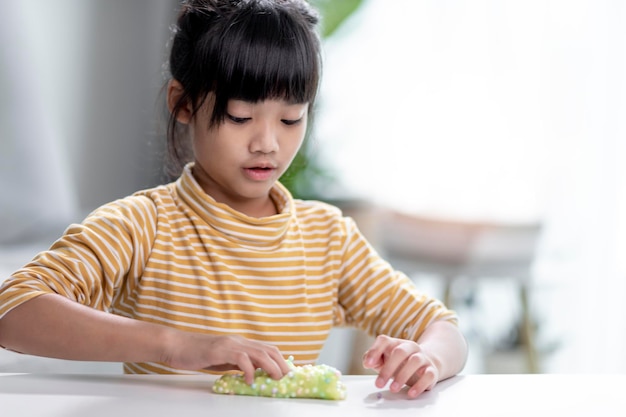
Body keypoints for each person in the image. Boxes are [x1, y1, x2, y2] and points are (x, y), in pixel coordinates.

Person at [0, 0, 467, 399]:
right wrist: (179, 346)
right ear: (183, 104)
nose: (267, 143)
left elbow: (443, 328)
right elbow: (14, 311)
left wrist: (424, 357)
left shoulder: (328, 237)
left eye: (290, 120)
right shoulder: (144, 223)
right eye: (241, 116)